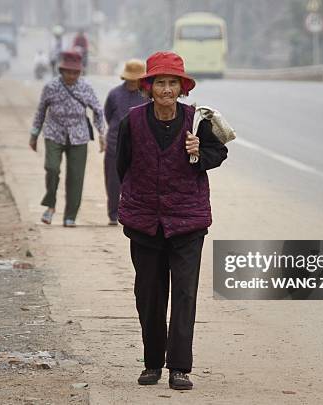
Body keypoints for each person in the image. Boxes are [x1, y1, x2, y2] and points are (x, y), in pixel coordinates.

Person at [116, 51, 228, 390]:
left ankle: (179, 367)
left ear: (182, 88)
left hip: (187, 222)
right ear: (149, 88)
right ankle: (152, 363)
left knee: (184, 295)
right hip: (146, 223)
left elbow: (218, 153)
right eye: (160, 83)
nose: (166, 89)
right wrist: (138, 201)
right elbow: (123, 167)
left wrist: (199, 152)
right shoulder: (132, 121)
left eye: (172, 83)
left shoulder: (198, 121)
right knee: (149, 295)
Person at [30, 50, 105, 227]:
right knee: (52, 168)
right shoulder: (51, 87)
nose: (71, 76)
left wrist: (102, 133)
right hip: (54, 132)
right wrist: (34, 134)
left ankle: (70, 215)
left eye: (75, 72)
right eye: (68, 72)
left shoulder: (85, 87)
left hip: (79, 135)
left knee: (76, 177)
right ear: (61, 71)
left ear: (80, 72)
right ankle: (50, 205)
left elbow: (98, 110)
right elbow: (41, 110)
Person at [102, 59, 146, 225]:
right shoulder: (114, 94)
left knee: (139, 183)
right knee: (113, 182)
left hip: (141, 146)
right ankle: (113, 214)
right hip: (115, 144)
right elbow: (108, 115)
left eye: (136, 80)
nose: (133, 83)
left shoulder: (147, 96)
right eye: (131, 79)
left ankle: (135, 214)